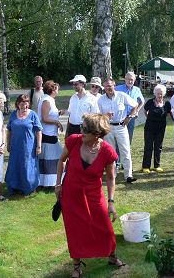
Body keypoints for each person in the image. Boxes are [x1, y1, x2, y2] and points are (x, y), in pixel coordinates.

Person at [55, 113, 125, 277]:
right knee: (75, 231)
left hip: (94, 194)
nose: (81, 131)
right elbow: (61, 160)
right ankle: (77, 266)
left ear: (97, 134)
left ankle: (112, 257)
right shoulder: (73, 141)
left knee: (105, 228)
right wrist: (58, 184)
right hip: (71, 195)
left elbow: (110, 177)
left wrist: (111, 202)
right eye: (82, 127)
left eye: (85, 129)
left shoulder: (108, 152)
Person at [98, 78, 138, 183]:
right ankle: (112, 174)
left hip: (121, 126)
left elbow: (135, 105)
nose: (108, 88)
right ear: (104, 88)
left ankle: (128, 175)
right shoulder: (101, 100)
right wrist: (105, 115)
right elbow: (98, 115)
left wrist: (129, 117)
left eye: (110, 86)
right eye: (106, 86)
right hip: (108, 127)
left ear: (114, 86)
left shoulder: (121, 96)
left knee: (125, 150)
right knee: (111, 152)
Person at [5, 94, 43, 195]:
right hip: (15, 145)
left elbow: (39, 131)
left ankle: (29, 186)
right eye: (22, 104)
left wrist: (38, 146)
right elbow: (9, 130)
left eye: (26, 104)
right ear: (18, 104)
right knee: (16, 165)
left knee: (28, 165)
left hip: (29, 146)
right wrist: (8, 144)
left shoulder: (33, 114)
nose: (24, 107)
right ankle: (16, 187)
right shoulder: (13, 114)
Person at [37, 80, 64, 188]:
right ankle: (46, 182)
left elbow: (50, 114)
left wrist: (58, 114)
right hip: (46, 133)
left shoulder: (50, 100)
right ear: (53, 90)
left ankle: (51, 181)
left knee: (54, 157)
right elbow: (44, 118)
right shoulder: (46, 101)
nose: (58, 91)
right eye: (57, 88)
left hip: (51, 133)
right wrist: (57, 122)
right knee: (52, 158)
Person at [142, 84, 171, 173]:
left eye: (161, 93)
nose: (159, 95)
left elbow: (167, 113)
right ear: (155, 93)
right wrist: (150, 118)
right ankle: (146, 166)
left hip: (161, 129)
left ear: (164, 94)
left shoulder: (167, 103)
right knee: (148, 147)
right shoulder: (150, 102)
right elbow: (145, 111)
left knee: (158, 147)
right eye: (158, 93)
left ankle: (156, 165)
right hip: (149, 128)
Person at [115, 71, 145, 144]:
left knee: (129, 137)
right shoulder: (118, 89)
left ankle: (128, 153)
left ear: (134, 80)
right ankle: (117, 154)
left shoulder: (136, 90)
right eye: (128, 79)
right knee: (119, 138)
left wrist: (137, 111)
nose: (130, 81)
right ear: (125, 79)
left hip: (131, 117)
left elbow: (142, 101)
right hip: (120, 117)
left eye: (131, 79)